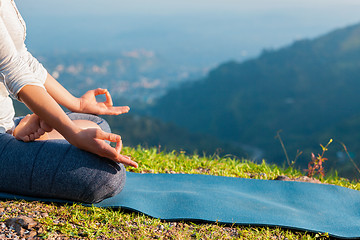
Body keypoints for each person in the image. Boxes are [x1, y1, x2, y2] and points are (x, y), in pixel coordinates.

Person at [0, 0, 137, 203]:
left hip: (5, 123)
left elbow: (21, 58)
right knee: (104, 176)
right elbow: (13, 71)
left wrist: (76, 104)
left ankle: (19, 136)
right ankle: (21, 138)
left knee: (96, 124)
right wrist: (72, 134)